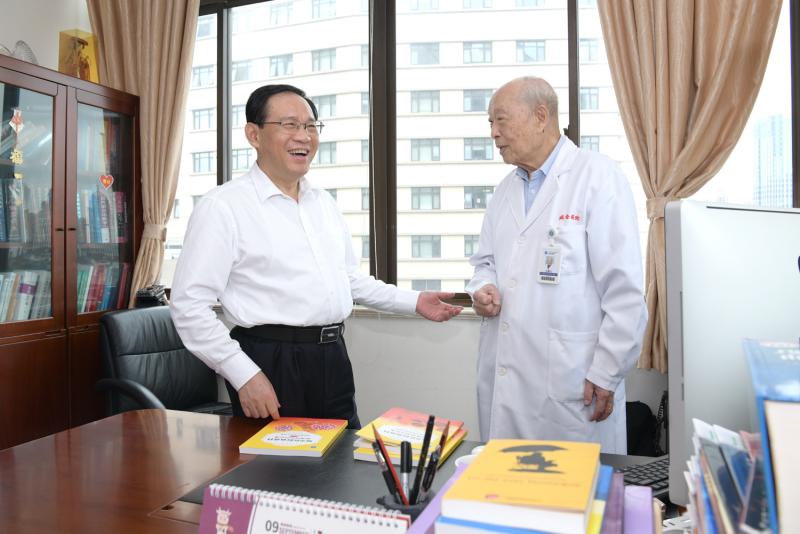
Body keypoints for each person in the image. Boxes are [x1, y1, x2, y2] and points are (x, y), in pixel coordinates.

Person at [170, 84, 462, 428]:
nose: (304, 136)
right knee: (279, 461)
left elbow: (349, 280)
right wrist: (244, 375)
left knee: (342, 457)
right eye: (289, 125)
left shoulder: (322, 203)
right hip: (270, 361)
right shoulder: (223, 207)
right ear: (254, 134)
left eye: (311, 126)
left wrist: (415, 302)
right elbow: (189, 305)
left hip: (332, 356)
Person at [465, 77, 647, 453]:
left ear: (540, 116)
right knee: (504, 482)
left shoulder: (598, 178)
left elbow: (624, 292)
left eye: (501, 120)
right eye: (490, 123)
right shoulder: (504, 191)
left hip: (573, 385)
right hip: (508, 382)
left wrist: (607, 371)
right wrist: (483, 287)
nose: (494, 133)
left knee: (574, 484)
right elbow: (485, 263)